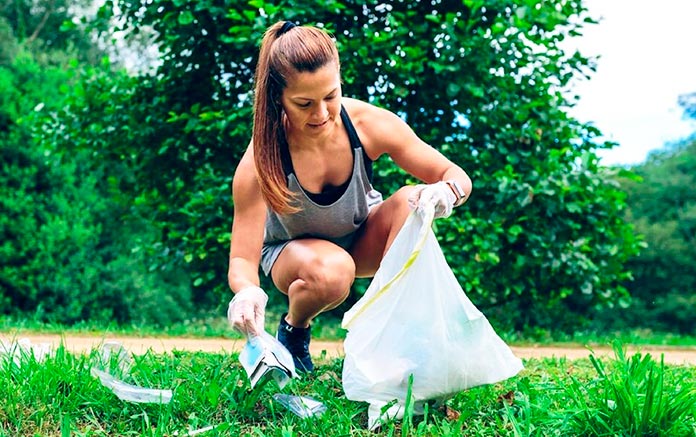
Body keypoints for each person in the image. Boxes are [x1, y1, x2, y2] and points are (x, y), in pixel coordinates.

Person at [227, 20, 472, 373]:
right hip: (293, 256)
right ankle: (294, 330)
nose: (322, 113)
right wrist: (247, 292)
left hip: (359, 239)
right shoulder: (262, 157)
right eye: (304, 103)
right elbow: (242, 260)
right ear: (278, 98)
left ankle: (400, 335)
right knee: (334, 270)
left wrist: (447, 191)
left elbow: (455, 174)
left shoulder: (368, 124)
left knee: (410, 201)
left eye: (331, 95)